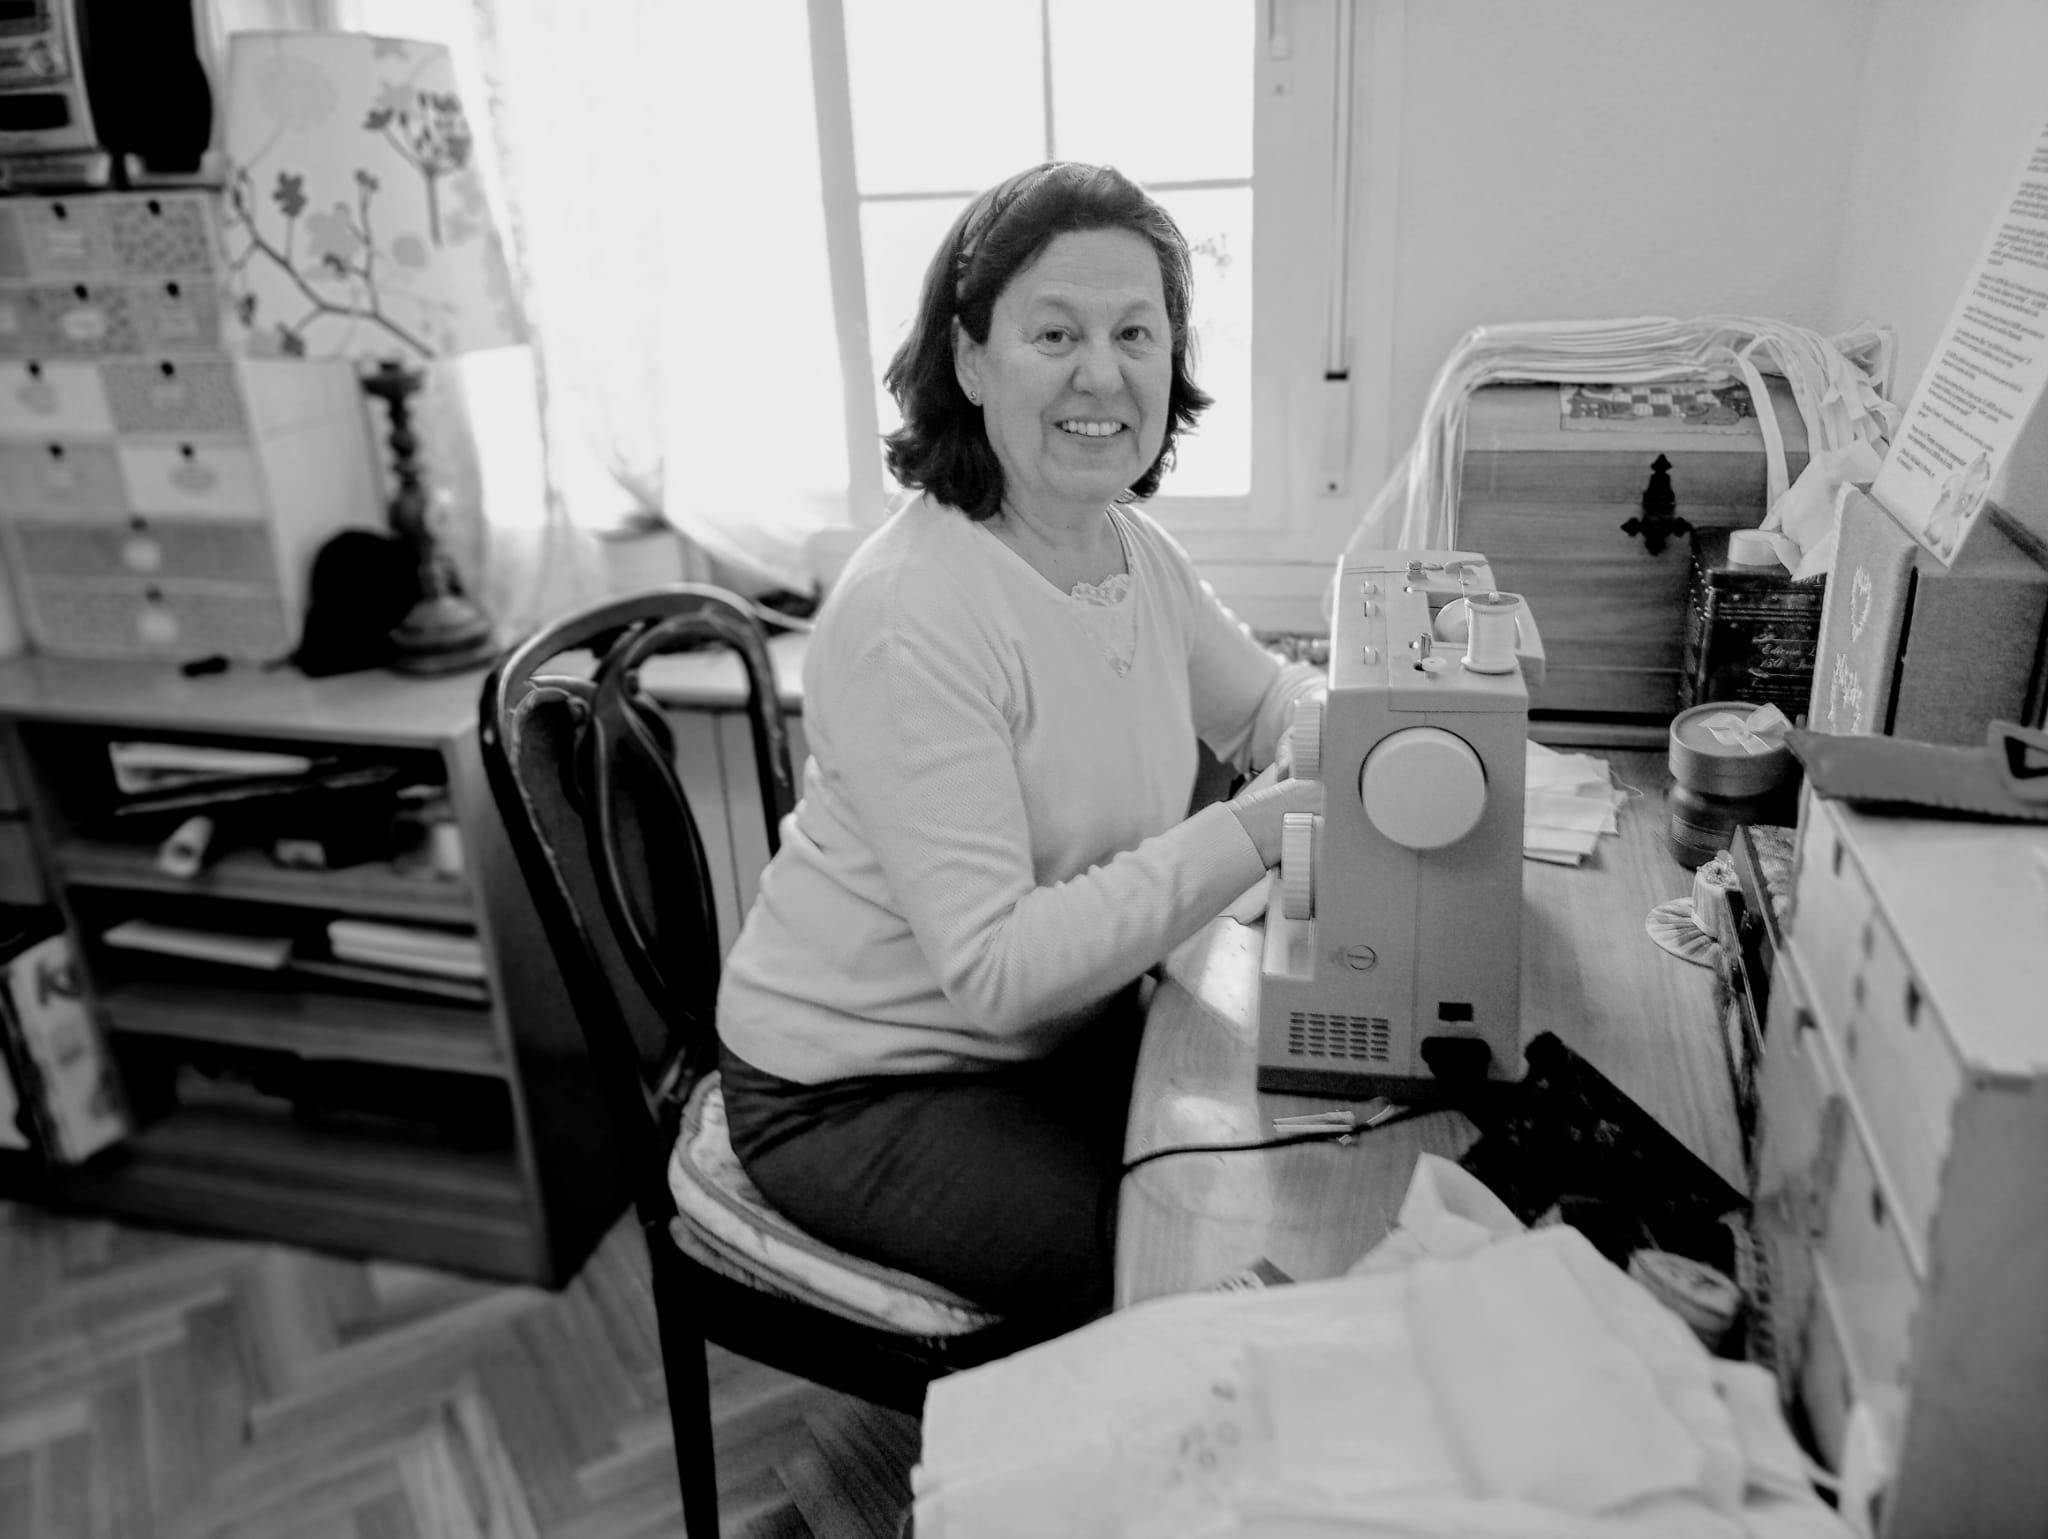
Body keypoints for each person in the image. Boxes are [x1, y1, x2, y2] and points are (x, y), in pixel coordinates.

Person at [716, 160, 1324, 1329]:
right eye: (1055, 332)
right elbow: (995, 971)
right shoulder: (915, 611)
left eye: (1136, 333)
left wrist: (1374, 725)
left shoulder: (1128, 552)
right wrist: (1256, 827)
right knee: (1182, 1275)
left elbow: (1262, 708)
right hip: (855, 1084)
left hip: (1050, 1033)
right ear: (970, 358)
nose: (1102, 372)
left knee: (1278, 1163)